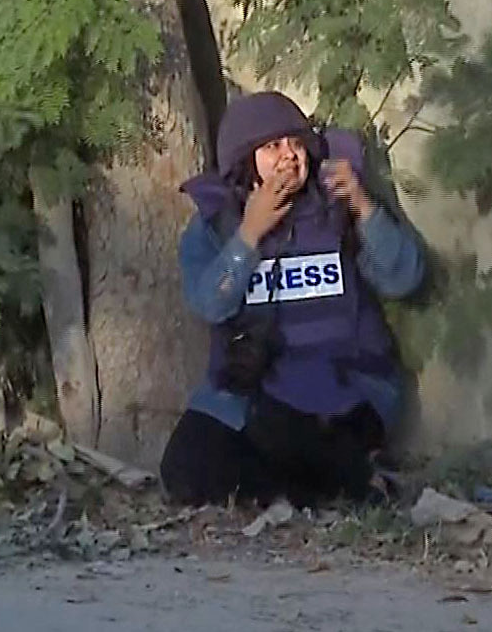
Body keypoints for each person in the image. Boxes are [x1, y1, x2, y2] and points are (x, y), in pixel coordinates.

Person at [159, 92, 424, 509]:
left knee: (282, 431)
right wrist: (249, 234)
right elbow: (209, 303)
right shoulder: (217, 222)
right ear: (245, 160)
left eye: (296, 143)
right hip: (259, 397)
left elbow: (403, 278)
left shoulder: (336, 203)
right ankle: (320, 493)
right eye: (272, 147)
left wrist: (361, 205)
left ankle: (346, 481)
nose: (290, 156)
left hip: (345, 393)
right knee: (186, 466)